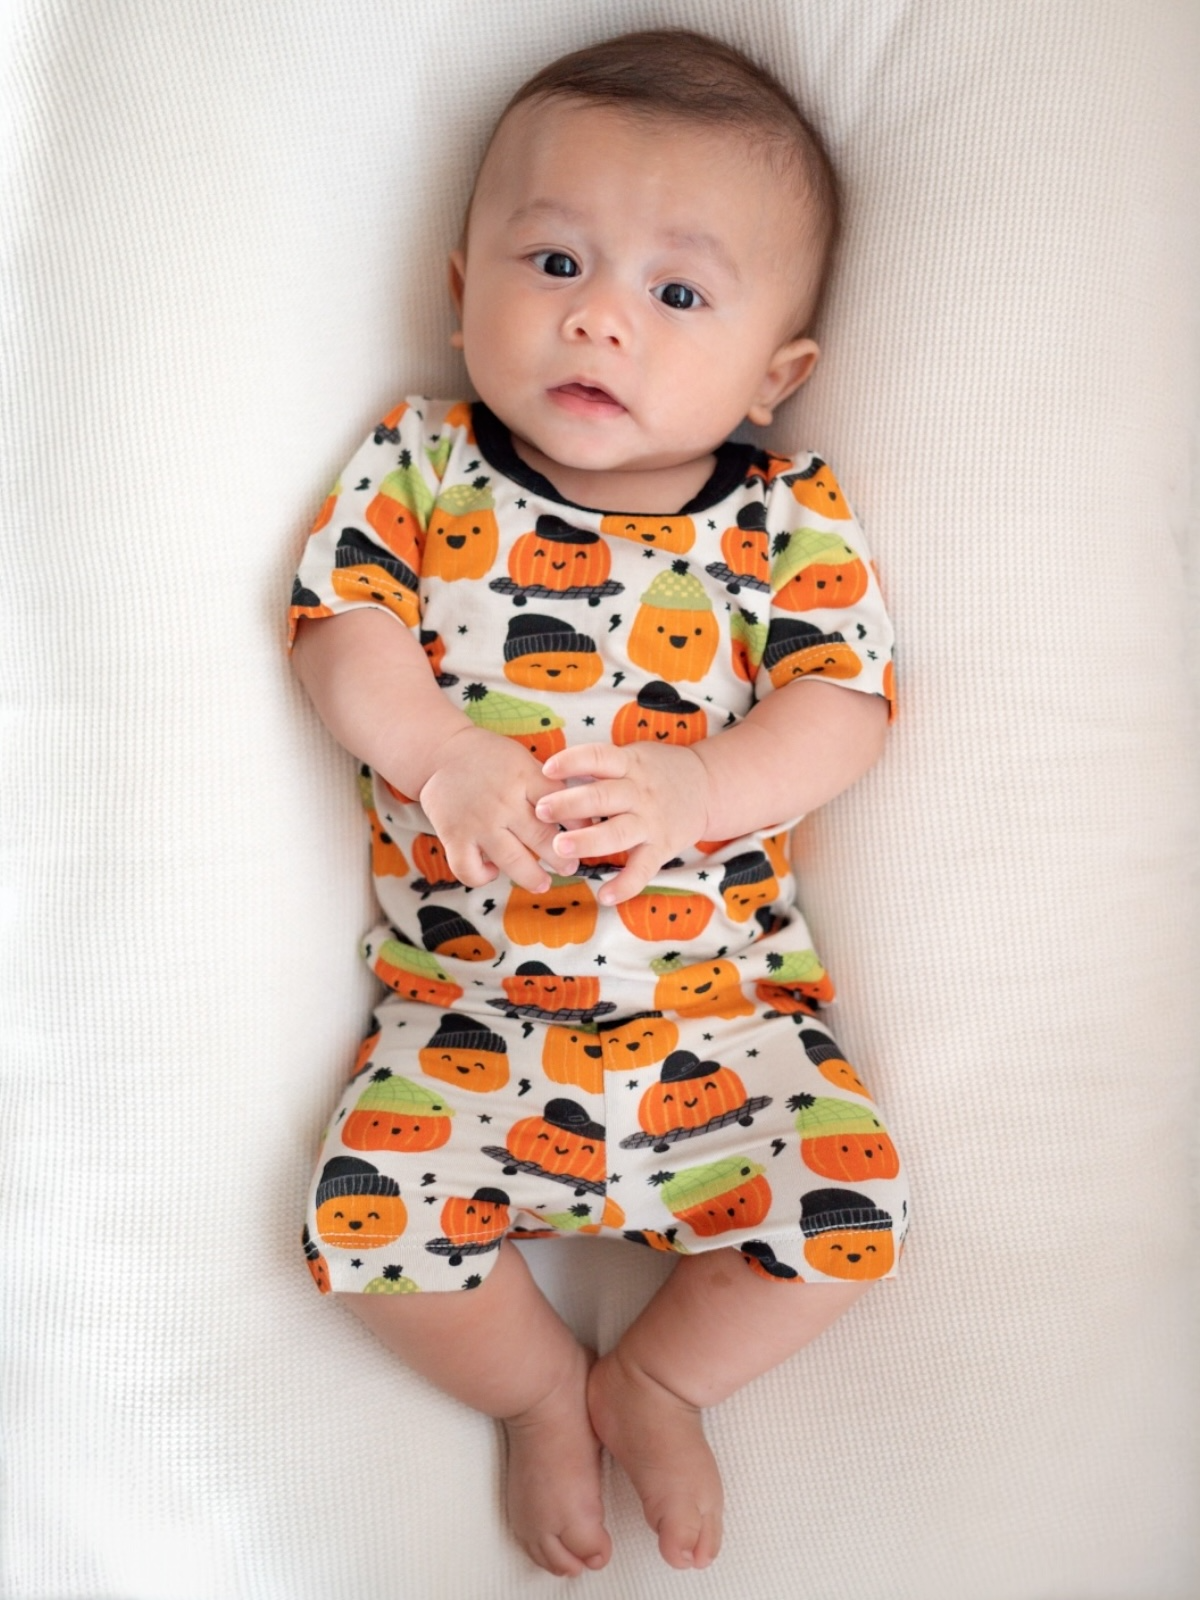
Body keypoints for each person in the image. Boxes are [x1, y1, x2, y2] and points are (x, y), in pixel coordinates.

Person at [289, 27, 908, 1578]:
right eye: (555, 258)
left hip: (727, 1017)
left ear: (777, 374)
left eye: (677, 292)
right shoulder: (422, 470)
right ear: (460, 285)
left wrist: (704, 783)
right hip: (467, 1013)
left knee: (848, 1224)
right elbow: (340, 631)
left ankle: (661, 1375)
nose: (601, 319)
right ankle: (540, 1397)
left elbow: (845, 708)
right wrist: (439, 753)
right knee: (366, 1241)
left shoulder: (784, 519)